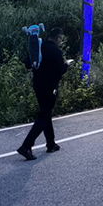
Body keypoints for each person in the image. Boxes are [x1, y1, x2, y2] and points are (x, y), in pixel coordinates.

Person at [17, 27, 70, 160]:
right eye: (61, 39)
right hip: (50, 87)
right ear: (57, 38)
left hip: (37, 85)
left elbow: (28, 64)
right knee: (43, 116)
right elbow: (59, 71)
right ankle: (26, 146)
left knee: (46, 113)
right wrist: (67, 65)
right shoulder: (56, 51)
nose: (61, 42)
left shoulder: (38, 46)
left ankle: (51, 143)